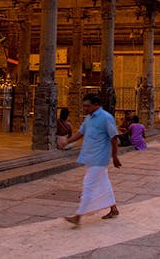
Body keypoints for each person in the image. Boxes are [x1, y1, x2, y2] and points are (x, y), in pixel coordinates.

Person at [60, 94, 121, 225]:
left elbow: (114, 137)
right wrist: (68, 141)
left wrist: (115, 156)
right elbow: (81, 132)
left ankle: (79, 215)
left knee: (89, 185)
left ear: (96, 105)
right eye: (85, 106)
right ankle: (113, 208)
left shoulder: (106, 118)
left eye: (88, 106)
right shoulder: (89, 118)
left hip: (100, 157)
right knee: (104, 183)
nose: (85, 108)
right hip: (90, 156)